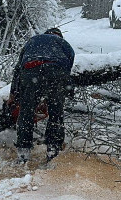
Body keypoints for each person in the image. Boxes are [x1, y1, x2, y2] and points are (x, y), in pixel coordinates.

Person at [8, 27, 75, 164]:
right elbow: (68, 69)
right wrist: (65, 92)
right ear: (59, 36)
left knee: (26, 111)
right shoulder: (64, 44)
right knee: (56, 113)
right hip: (56, 72)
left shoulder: (33, 41)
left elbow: (18, 70)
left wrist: (13, 94)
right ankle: (53, 149)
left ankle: (23, 152)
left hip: (31, 70)